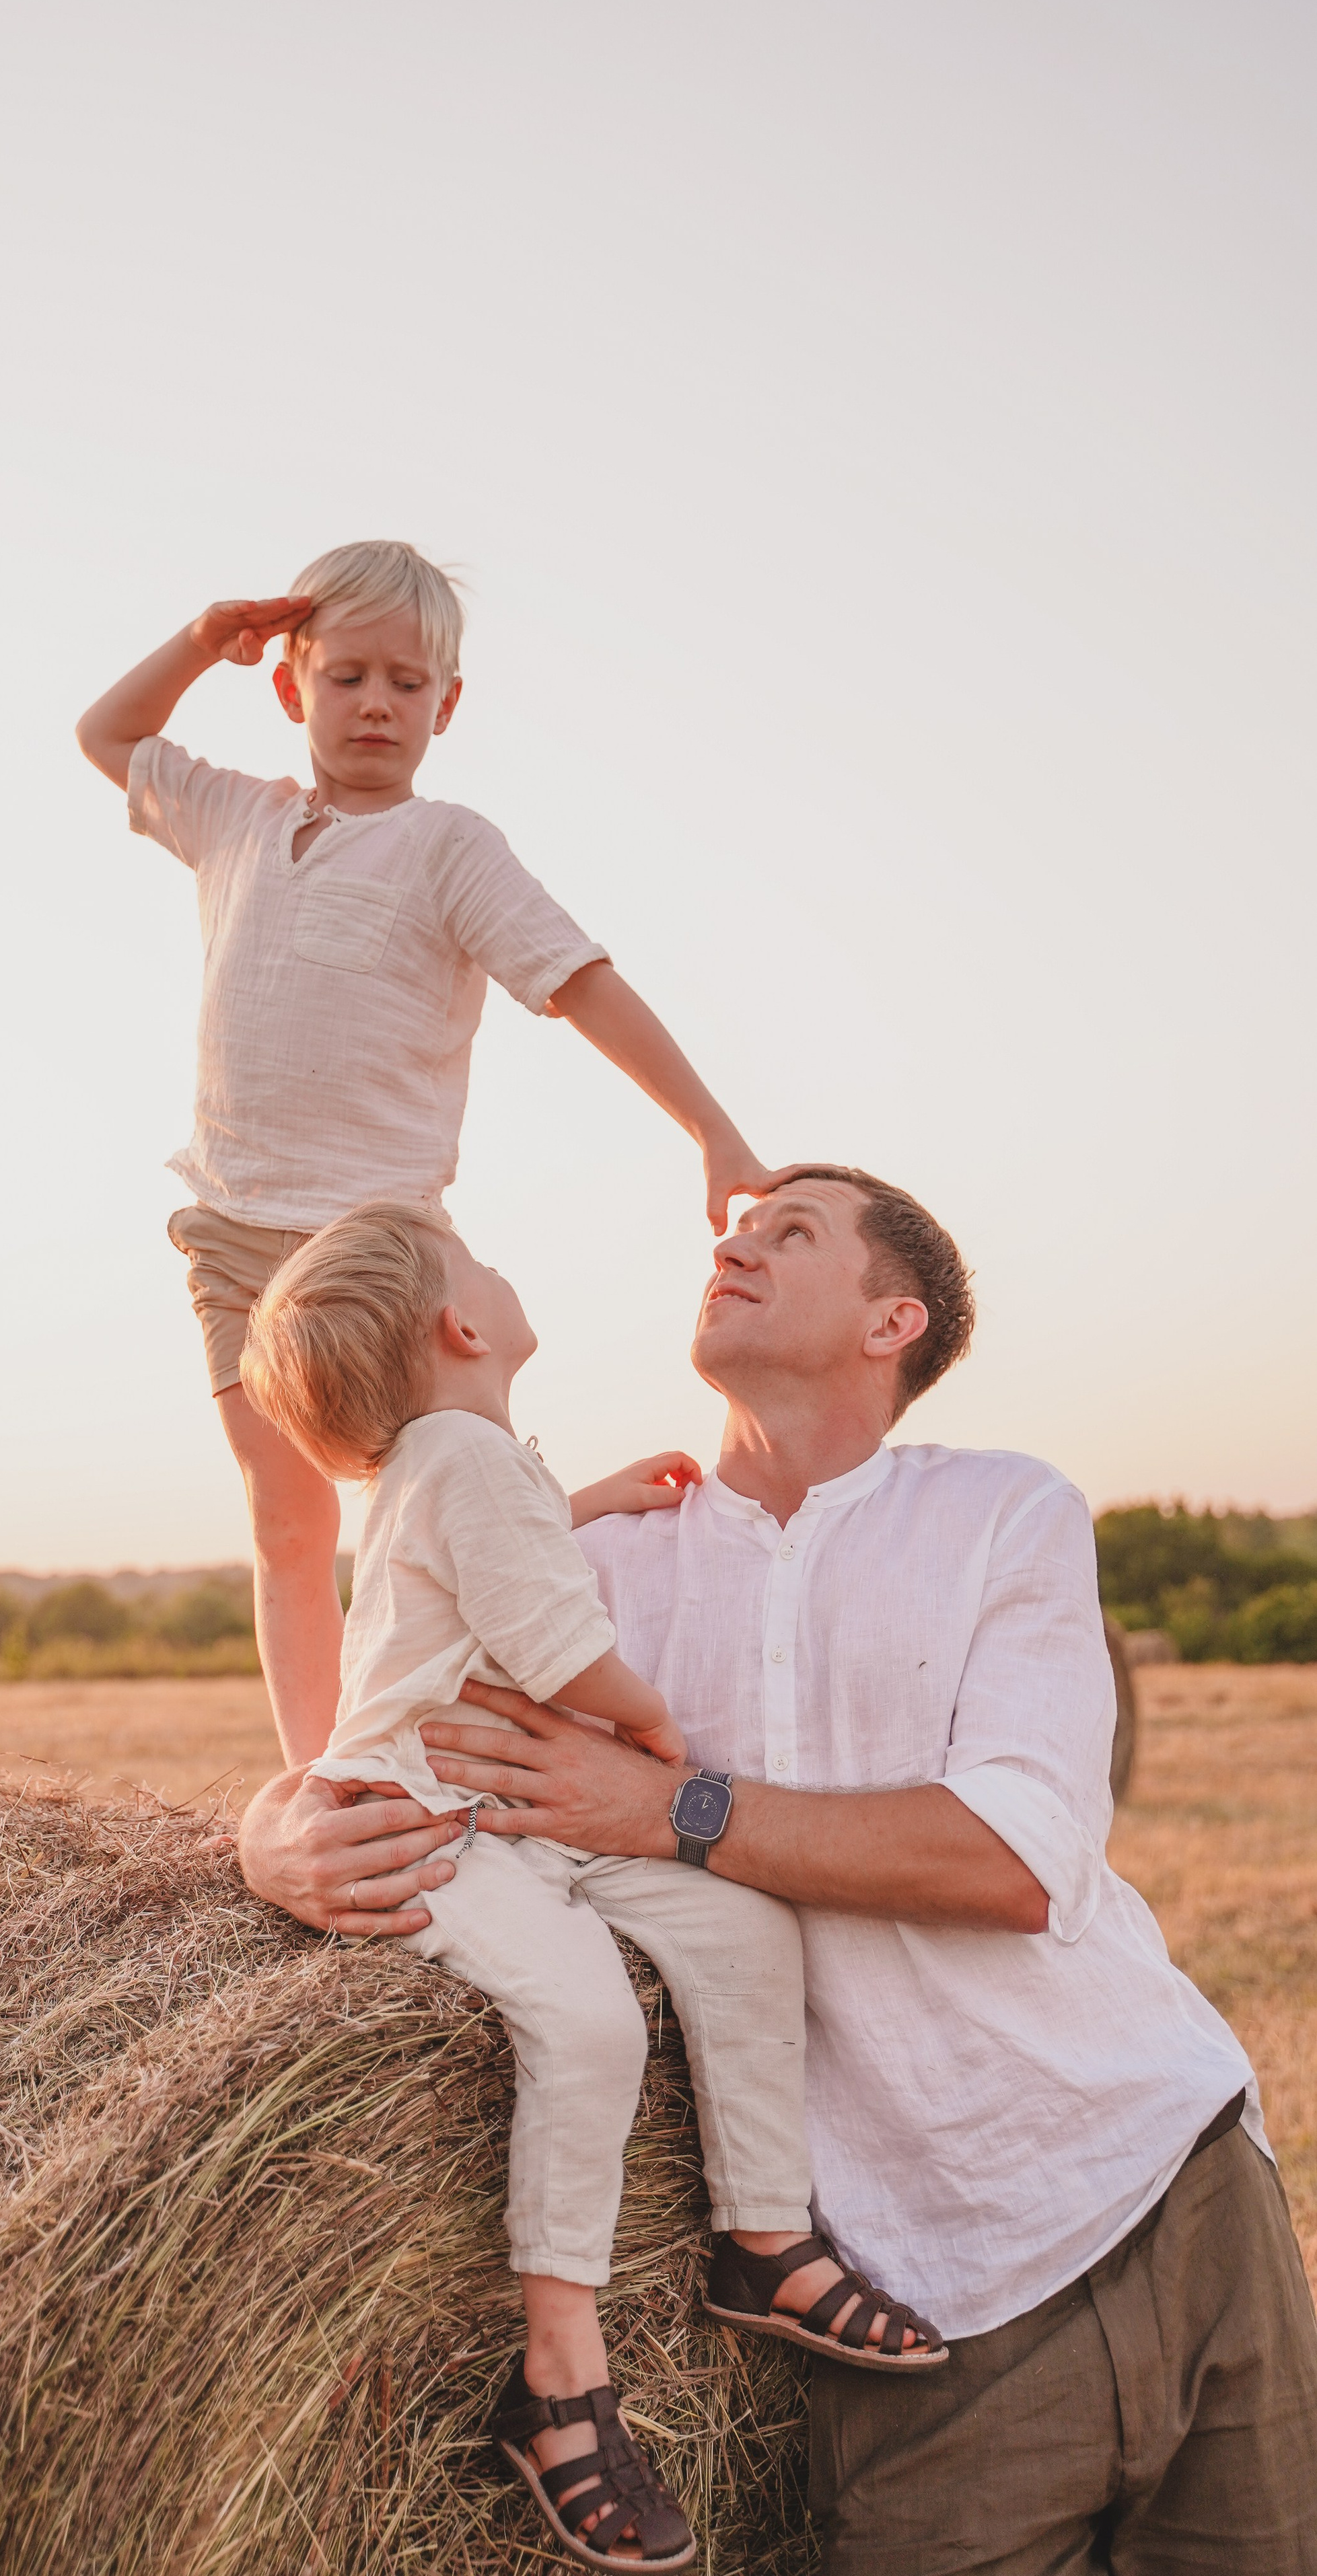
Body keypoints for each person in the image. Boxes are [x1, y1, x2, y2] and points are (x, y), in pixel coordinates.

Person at [240, 1167, 1317, 2574]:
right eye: (730, 1230)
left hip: (1162, 2179)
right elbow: (399, 1684)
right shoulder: (600, 1561)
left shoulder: (1006, 1511)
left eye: (788, 1231)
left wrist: (667, 1807)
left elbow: (1011, 1861)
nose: (734, 1241)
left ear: (891, 1321)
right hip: (907, 2289)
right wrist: (274, 1835)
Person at [239, 1200, 941, 2574]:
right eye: (477, 1267)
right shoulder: (461, 1457)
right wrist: (657, 1739)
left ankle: (759, 2235)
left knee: (740, 1924)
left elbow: (491, 1560)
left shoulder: (448, 1463)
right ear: (460, 1325)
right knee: (590, 2023)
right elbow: (560, 1647)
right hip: (432, 1828)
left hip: (511, 1814)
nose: (498, 1274)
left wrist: (592, 1501)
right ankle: (557, 2379)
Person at [75, 540, 785, 1760]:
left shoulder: (451, 847)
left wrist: (713, 1133)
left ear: (446, 707)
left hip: (382, 1252)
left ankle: (561, 1678)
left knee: (452, 1491)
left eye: (408, 683)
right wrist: (204, 638)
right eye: (348, 676)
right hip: (235, 1238)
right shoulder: (235, 816)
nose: (377, 705)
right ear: (293, 688)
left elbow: (583, 984)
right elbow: (107, 734)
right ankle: (325, 1776)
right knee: (288, 1527)